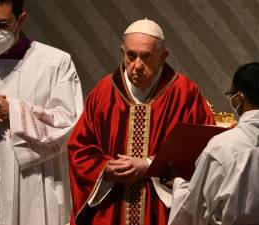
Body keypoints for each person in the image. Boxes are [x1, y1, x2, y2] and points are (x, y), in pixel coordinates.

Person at [0, 0, 84, 224]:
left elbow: (71, 122)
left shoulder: (55, 62)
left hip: (36, 180)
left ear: (21, 19)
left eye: (2, 24)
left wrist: (14, 112)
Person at [67, 18, 215, 225]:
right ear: (122, 51)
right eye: (131, 56)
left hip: (162, 208)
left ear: (164, 56)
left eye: (146, 57)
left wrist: (149, 165)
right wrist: (105, 168)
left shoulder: (184, 92)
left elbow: (202, 149)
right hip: (113, 204)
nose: (137, 66)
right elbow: (79, 148)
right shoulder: (103, 92)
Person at [168, 62, 259, 225]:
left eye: (231, 94)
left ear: (238, 98)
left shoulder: (223, 146)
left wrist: (178, 184)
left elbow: (194, 207)